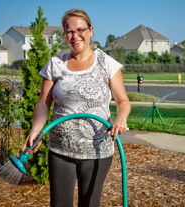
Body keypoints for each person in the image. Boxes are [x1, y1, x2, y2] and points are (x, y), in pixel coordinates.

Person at [22, 8, 131, 207]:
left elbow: (123, 100)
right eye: (69, 31)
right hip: (60, 149)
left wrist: (121, 117)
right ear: (65, 35)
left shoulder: (107, 63)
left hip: (97, 150)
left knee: (89, 204)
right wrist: (36, 130)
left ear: (90, 31)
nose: (75, 36)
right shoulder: (55, 64)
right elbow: (43, 103)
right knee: (60, 204)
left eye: (80, 29)